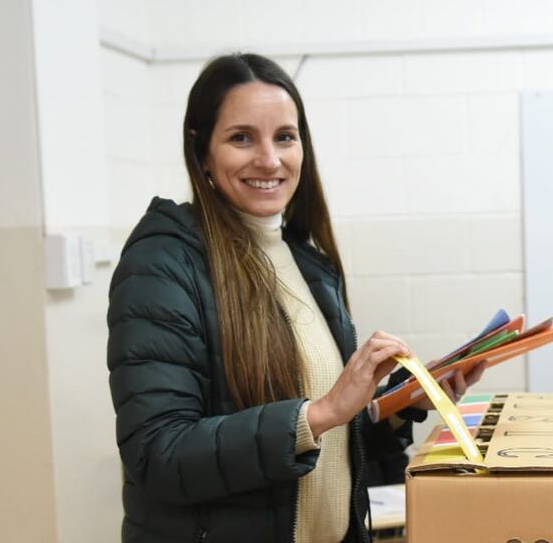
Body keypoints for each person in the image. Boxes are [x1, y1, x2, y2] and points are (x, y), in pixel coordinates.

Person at [107, 53, 483, 543]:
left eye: (285, 136)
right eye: (242, 137)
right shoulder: (162, 265)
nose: (269, 159)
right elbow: (159, 453)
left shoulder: (309, 265)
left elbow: (326, 438)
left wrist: (404, 400)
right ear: (201, 151)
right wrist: (323, 411)